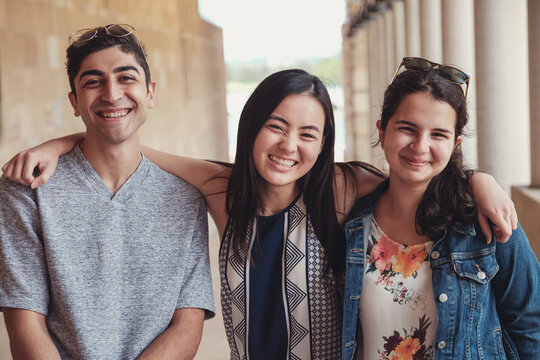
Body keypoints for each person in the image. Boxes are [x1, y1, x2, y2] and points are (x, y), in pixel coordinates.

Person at [2, 68, 517, 359]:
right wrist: (60, 142)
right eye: (276, 125)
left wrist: (479, 179)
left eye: (309, 134)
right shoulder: (223, 191)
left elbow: (419, 167)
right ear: (251, 126)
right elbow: (132, 148)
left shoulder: (338, 189)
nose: (289, 145)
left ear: (324, 144)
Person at [0, 24, 215, 359]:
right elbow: (25, 321)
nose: (112, 94)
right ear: (74, 101)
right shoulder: (28, 190)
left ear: (151, 93)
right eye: (93, 81)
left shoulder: (186, 198)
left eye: (126, 77)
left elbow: (187, 321)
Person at [341, 58, 540, 359]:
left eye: (438, 134)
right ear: (382, 131)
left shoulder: (486, 222)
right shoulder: (351, 223)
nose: (421, 146)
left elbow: (530, 323)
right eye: (407, 128)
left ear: (455, 144)